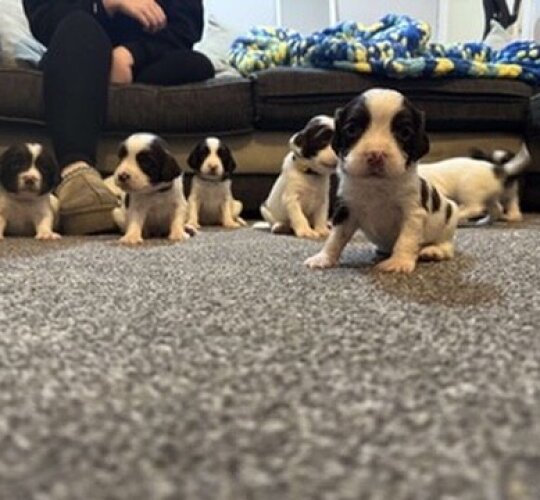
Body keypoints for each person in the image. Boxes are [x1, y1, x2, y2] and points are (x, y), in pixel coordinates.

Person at [23, 0, 215, 234]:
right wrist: (109, 4)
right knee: (78, 28)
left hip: (145, 60)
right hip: (77, 52)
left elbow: (186, 27)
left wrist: (130, 54)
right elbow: (45, 19)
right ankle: (76, 173)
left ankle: (135, 178)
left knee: (196, 65)